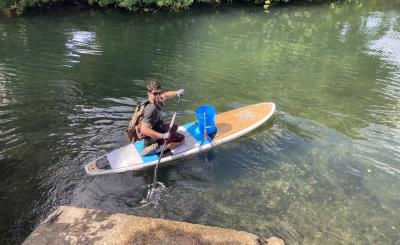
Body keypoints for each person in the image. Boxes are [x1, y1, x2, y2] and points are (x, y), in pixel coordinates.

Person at [139, 80, 185, 156]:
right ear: (149, 93)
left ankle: (157, 143)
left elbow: (166, 95)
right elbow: (143, 130)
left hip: (156, 127)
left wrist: (177, 92)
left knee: (175, 127)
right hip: (151, 138)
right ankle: (159, 148)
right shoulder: (151, 109)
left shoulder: (154, 99)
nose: (158, 95)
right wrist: (162, 136)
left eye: (159, 92)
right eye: (155, 93)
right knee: (182, 139)